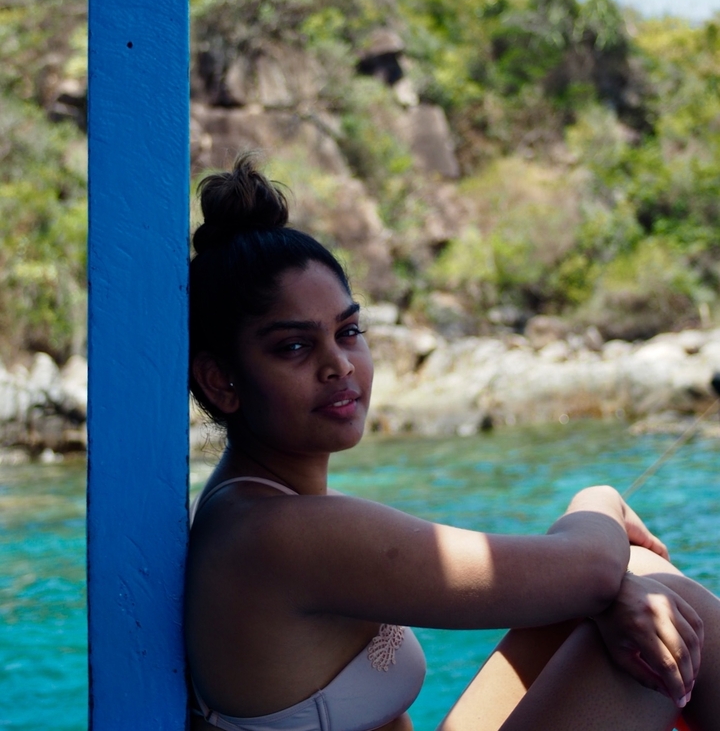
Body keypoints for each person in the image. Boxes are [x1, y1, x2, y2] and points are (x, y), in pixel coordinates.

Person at [185, 154, 720, 731]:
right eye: (293, 347)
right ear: (221, 380)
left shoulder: (264, 505)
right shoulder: (279, 535)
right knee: (660, 611)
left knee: (636, 583)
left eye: (348, 332)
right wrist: (600, 499)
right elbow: (588, 568)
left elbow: (586, 579)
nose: (338, 365)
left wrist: (611, 588)